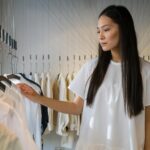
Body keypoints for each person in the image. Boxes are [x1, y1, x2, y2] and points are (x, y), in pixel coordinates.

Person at [17, 5, 150, 150]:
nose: (100, 36)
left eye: (106, 30)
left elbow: (148, 122)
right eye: (98, 31)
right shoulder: (91, 68)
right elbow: (76, 107)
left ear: (124, 30)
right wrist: (38, 98)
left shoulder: (145, 71)